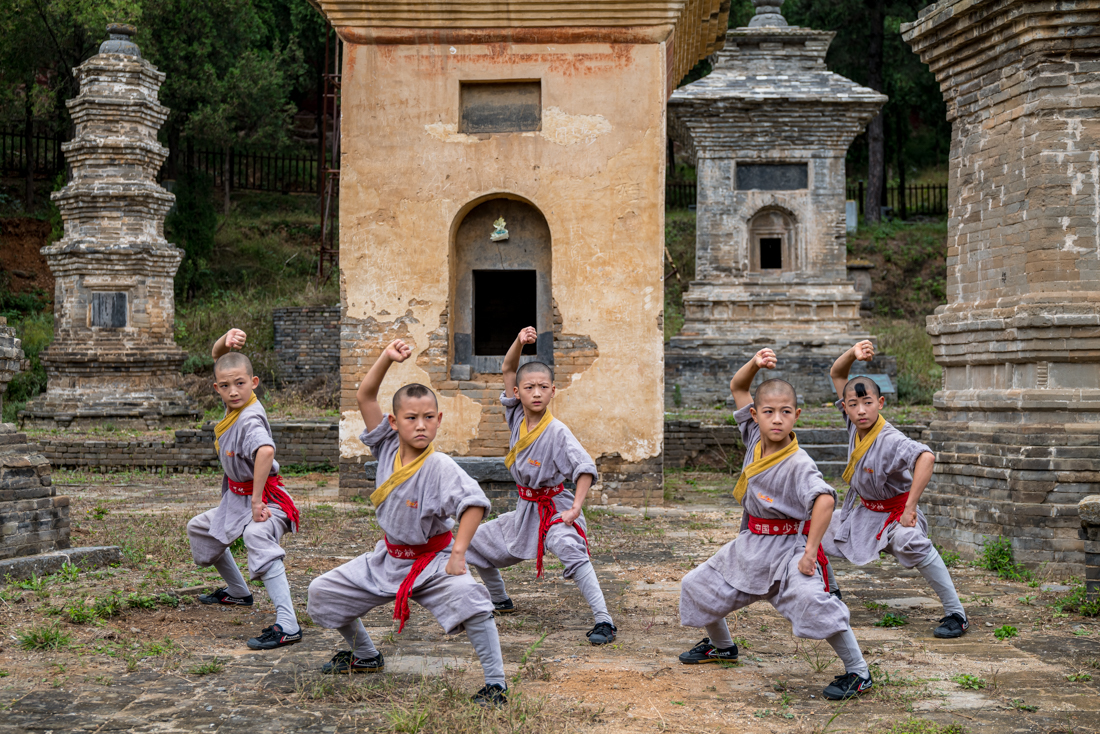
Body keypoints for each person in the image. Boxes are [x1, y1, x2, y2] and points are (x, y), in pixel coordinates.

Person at [306, 339, 508, 706]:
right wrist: (387, 357)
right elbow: (365, 396)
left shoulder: (440, 466)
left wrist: (459, 553)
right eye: (411, 418)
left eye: (428, 417)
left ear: (439, 420)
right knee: (323, 590)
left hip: (432, 562)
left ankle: (496, 684)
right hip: (388, 558)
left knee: (473, 601)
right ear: (393, 422)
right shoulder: (384, 446)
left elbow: (474, 505)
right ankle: (366, 655)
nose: (420, 425)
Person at [677, 348, 873, 700]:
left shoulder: (799, 463)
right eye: (769, 412)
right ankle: (722, 647)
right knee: (696, 585)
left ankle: (859, 672)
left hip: (789, 550)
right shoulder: (753, 437)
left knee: (816, 603)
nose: (777, 420)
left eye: (785, 413)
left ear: (796, 416)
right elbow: (738, 386)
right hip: (751, 544)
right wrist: (754, 364)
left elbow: (825, 500)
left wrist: (811, 552)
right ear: (756, 415)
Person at [465, 327, 616, 645]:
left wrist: (576, 507)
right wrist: (518, 342)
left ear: (553, 391)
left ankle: (604, 620)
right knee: (474, 543)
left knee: (570, 551)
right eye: (529, 387)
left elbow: (584, 468)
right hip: (525, 510)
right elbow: (508, 368)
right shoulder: (516, 417)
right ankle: (500, 600)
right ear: (517, 392)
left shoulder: (558, 431)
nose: (536, 392)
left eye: (543, 387)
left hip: (555, 508)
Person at [822, 340, 968, 639]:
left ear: (880, 403)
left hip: (895, 515)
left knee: (910, 543)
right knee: (810, 527)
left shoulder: (890, 438)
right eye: (853, 404)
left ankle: (956, 613)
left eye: (868, 403)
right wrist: (853, 353)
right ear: (845, 407)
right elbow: (838, 374)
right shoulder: (854, 425)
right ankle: (831, 594)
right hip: (863, 513)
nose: (861, 410)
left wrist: (911, 508)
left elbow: (926, 457)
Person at [187, 328, 303, 650]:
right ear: (217, 388)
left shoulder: (249, 416)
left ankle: (288, 624)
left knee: (256, 536)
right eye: (225, 386)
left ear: (254, 383)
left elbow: (266, 451)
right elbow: (220, 360)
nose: (233, 391)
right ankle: (238, 592)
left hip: (266, 499)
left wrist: (255, 503)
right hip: (237, 499)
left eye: (240, 384)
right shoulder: (234, 404)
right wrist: (224, 342)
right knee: (200, 529)